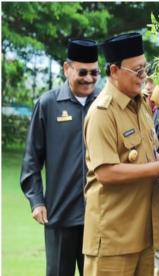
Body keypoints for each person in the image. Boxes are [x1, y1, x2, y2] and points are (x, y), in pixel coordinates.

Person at [82, 32, 159, 276]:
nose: (143, 77)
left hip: (143, 234)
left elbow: (149, 155)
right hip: (113, 239)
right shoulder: (102, 113)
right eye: (137, 71)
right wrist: (157, 169)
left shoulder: (142, 104)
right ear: (114, 71)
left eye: (145, 68)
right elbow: (106, 172)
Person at [20, 38, 100, 276]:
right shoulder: (47, 104)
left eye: (94, 72)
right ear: (67, 69)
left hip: (98, 219)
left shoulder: (105, 105)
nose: (88, 78)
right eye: (82, 72)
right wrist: (36, 200)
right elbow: (31, 160)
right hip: (59, 216)